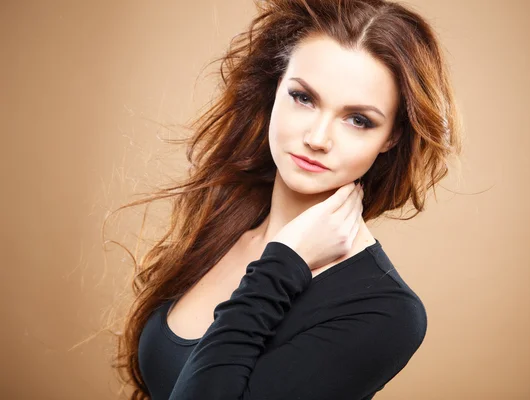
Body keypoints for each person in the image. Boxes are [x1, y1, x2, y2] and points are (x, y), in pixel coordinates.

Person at [111, 0, 463, 398]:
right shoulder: (225, 221)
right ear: (275, 88)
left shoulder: (384, 312)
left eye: (358, 120)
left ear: (391, 138)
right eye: (303, 98)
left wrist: (283, 263)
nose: (317, 138)